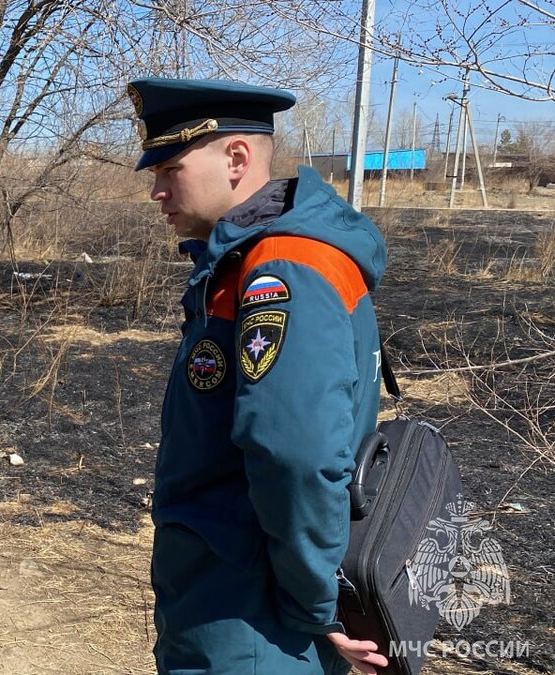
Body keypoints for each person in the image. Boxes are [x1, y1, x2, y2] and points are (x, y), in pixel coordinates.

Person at [127, 77, 391, 674]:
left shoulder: (284, 268)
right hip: (224, 593)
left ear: (237, 158)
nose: (157, 192)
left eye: (170, 169)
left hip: (254, 613)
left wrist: (319, 605)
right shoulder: (240, 260)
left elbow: (295, 454)